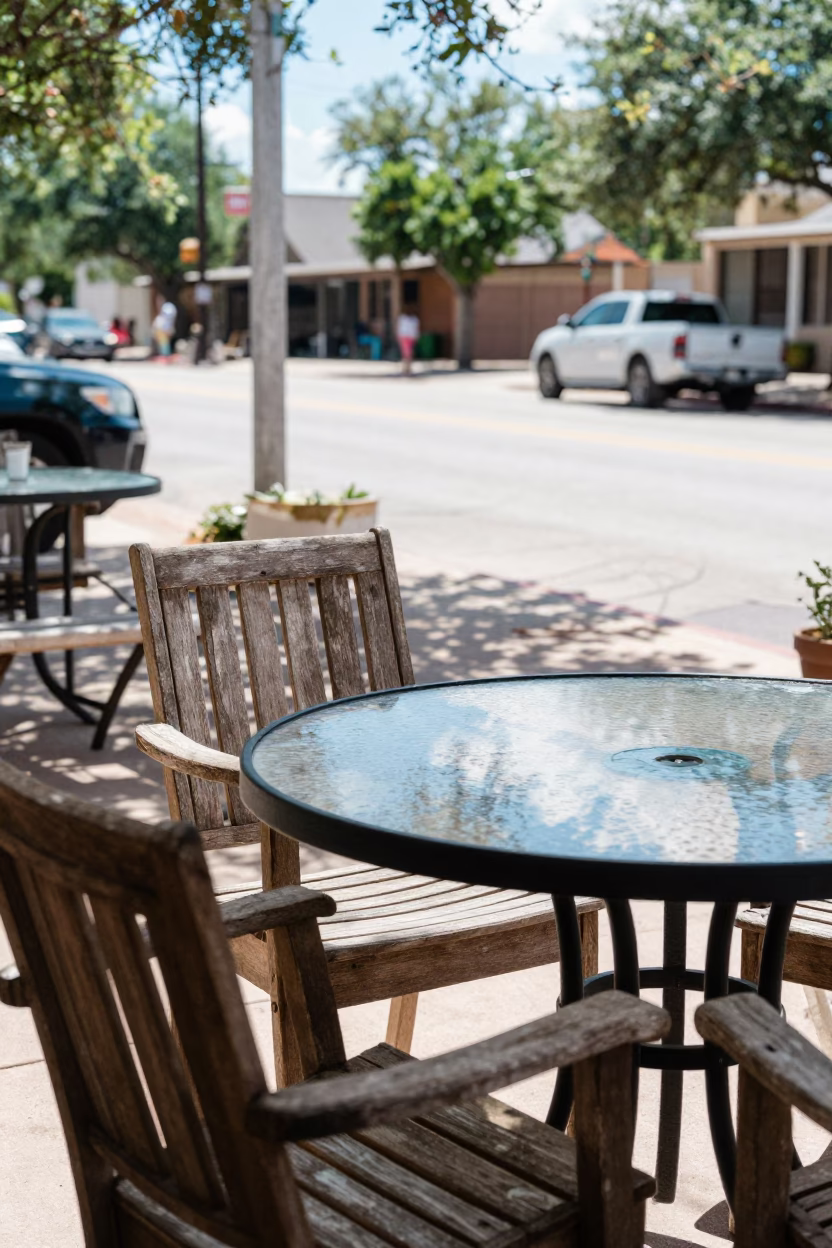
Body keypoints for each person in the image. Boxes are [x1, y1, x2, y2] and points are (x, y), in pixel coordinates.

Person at [396, 308, 420, 375]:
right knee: (406, 353)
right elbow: (399, 328)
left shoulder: (414, 319)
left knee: (408, 353)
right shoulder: (403, 318)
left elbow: (416, 329)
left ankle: (407, 367)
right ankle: (406, 367)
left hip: (410, 337)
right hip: (404, 337)